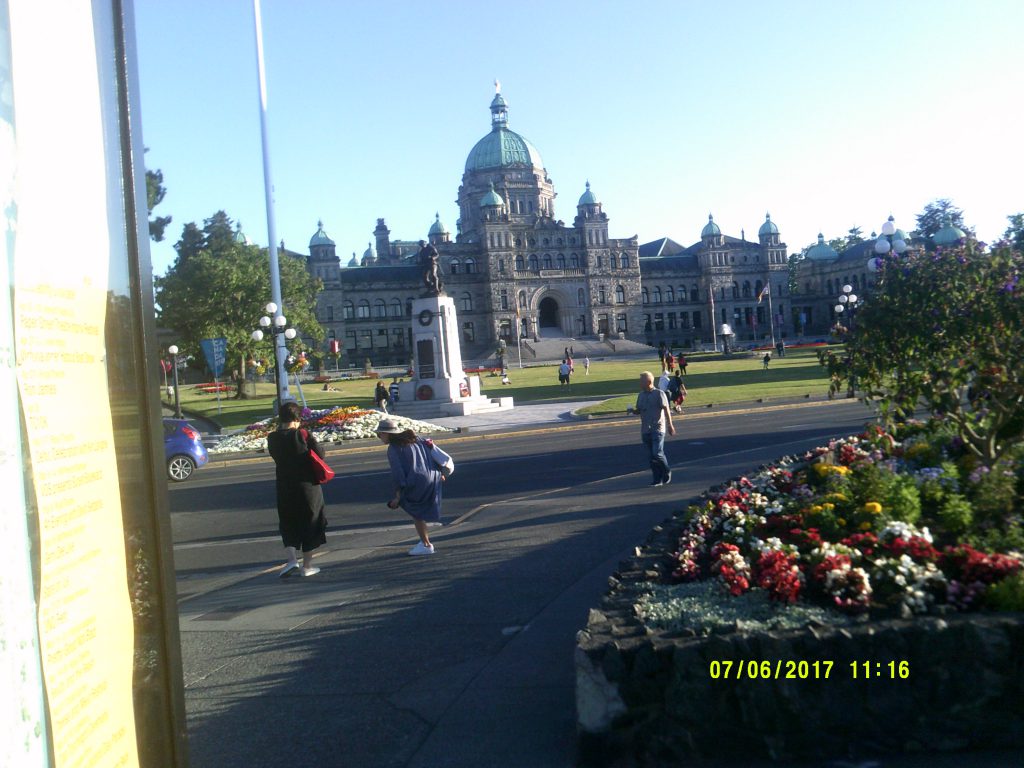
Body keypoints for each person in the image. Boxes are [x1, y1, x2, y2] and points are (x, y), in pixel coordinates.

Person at [267, 401, 328, 577]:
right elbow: (320, 454)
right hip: (307, 485)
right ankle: (307, 566)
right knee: (311, 521)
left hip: (284, 485)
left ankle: (292, 560)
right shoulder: (302, 434)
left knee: (288, 521)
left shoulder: (272, 437)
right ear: (297, 418)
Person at [376, 418, 444, 555]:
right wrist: (441, 473)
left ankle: (426, 544)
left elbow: (398, 473)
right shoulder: (417, 440)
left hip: (416, 479)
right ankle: (424, 541)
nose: (379, 437)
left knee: (416, 512)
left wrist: (398, 496)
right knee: (421, 509)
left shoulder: (394, 448)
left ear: (386, 433)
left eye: (380, 434)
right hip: (433, 475)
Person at [629, 371, 675, 486]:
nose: (640, 383)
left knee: (657, 453)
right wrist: (632, 411)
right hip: (645, 430)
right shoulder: (641, 395)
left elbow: (666, 410)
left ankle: (666, 470)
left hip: (658, 428)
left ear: (649, 382)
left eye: (641, 381)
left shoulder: (659, 394)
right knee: (651, 457)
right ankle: (657, 479)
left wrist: (670, 425)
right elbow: (639, 410)